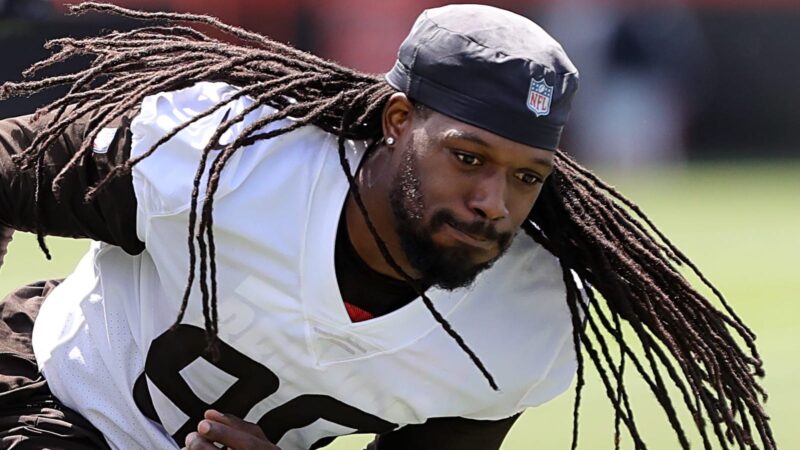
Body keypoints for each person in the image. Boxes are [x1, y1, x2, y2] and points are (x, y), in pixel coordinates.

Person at [0, 3, 774, 450]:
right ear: (397, 121)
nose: (493, 202)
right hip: (51, 394)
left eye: (527, 176)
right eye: (467, 158)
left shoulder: (520, 323)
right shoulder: (228, 156)